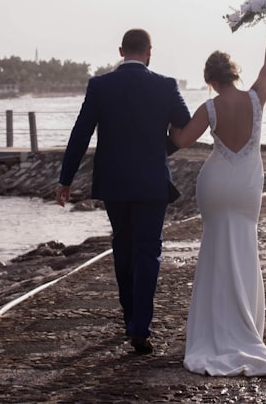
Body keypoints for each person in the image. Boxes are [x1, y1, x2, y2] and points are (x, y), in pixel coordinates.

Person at [57, 28, 191, 355]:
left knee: (123, 246)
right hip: (151, 182)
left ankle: (129, 316)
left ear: (121, 51)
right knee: (149, 250)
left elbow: (81, 134)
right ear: (149, 52)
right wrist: (159, 150)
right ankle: (141, 326)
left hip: (114, 182)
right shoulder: (166, 85)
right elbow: (185, 126)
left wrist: (66, 179)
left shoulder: (100, 86)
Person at [170, 8, 266, 376]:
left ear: (210, 79)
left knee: (216, 253)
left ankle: (214, 332)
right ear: (234, 74)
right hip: (248, 186)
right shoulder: (256, 98)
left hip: (216, 185)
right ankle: (245, 329)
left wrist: (164, 120)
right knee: (244, 250)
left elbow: (183, 140)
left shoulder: (209, 106)